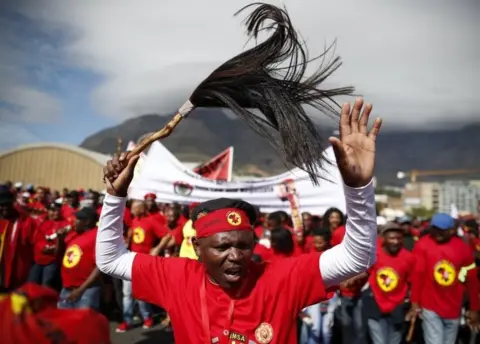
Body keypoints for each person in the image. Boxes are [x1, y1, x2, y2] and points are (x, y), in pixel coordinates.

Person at [97, 98, 382, 343]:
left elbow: (358, 258)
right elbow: (110, 259)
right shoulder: (177, 278)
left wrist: (358, 189)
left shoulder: (281, 279)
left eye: (244, 246)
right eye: (222, 248)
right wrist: (115, 196)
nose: (235, 256)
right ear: (197, 247)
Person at [409, 213, 480, 344]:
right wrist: (415, 302)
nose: (436, 233)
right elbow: (418, 274)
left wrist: (474, 308)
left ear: (452, 230)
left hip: (454, 306)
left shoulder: (463, 248)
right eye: (434, 229)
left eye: (441, 230)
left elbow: (472, 280)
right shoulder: (423, 244)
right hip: (429, 305)